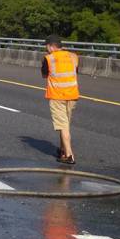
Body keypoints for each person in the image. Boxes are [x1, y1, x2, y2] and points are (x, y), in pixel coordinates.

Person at [42, 35, 80, 165]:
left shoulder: (49, 58)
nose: (46, 49)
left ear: (51, 46)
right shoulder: (73, 56)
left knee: (63, 126)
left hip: (58, 96)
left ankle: (69, 155)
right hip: (72, 95)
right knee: (65, 125)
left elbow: (44, 75)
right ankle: (63, 150)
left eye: (46, 46)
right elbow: (75, 72)